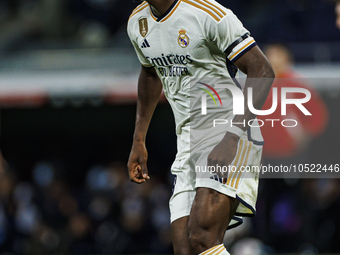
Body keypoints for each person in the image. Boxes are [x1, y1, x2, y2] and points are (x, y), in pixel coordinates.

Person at [126, 0, 275, 254]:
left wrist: (231, 138)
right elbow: (150, 73)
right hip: (187, 141)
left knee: (203, 237)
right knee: (185, 248)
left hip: (226, 130)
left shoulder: (207, 13)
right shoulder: (137, 22)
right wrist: (138, 139)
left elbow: (262, 69)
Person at [259, 44, 328, 162]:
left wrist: (305, 134)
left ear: (286, 59)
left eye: (277, 55)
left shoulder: (296, 84)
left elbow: (317, 114)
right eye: (268, 55)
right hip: (262, 151)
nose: (272, 58)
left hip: (289, 151)